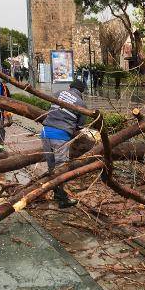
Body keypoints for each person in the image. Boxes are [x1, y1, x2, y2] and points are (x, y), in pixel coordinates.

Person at [41, 79, 87, 208]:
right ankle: (62, 199)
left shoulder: (58, 93)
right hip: (60, 136)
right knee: (61, 167)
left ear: (69, 86)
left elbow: (49, 110)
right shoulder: (81, 104)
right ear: (81, 92)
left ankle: (56, 193)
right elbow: (80, 125)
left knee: (51, 166)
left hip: (45, 132)